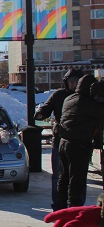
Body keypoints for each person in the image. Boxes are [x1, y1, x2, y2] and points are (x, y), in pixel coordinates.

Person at [34, 68, 84, 209]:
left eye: (76, 81)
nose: (74, 84)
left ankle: (77, 205)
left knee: (78, 177)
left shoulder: (87, 97)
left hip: (81, 142)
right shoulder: (59, 95)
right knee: (59, 175)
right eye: (71, 81)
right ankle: (58, 204)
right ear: (66, 83)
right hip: (60, 141)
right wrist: (40, 113)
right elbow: (47, 108)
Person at [56, 74, 104, 209]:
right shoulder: (87, 102)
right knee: (77, 180)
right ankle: (75, 209)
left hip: (64, 142)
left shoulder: (70, 98)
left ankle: (60, 207)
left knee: (64, 178)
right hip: (78, 145)